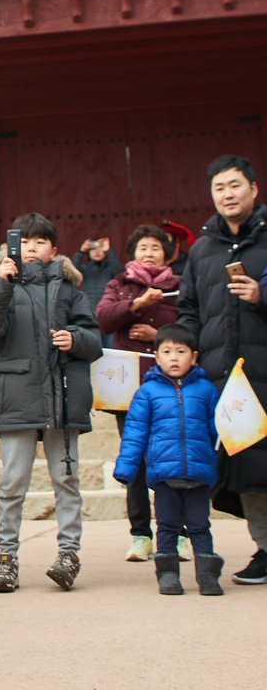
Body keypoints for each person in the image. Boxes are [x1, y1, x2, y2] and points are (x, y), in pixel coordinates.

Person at [0, 212, 102, 593]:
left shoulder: (69, 289)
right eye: (24, 241)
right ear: (9, 247)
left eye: (40, 242)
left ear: (54, 250)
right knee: (12, 483)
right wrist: (1, 283)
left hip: (62, 399)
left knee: (67, 480)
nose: (31, 248)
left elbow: (94, 340)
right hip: (18, 398)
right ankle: (6, 557)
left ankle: (68, 554)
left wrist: (75, 339)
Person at [178, 154, 267, 585]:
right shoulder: (202, 249)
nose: (228, 194)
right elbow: (188, 308)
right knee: (247, 469)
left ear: (254, 189)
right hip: (224, 378)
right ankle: (265, 548)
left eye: (235, 185)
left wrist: (262, 296)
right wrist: (185, 353)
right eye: (219, 188)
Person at [113, 324, 224, 595]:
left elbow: (220, 430)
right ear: (156, 356)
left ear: (194, 357)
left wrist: (227, 455)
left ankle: (207, 574)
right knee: (167, 525)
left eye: (181, 351)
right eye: (167, 351)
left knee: (200, 525)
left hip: (199, 472)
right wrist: (126, 468)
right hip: (164, 474)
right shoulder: (147, 393)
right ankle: (168, 573)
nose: (174, 358)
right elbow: (135, 433)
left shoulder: (207, 391)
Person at [96, 224, 182, 562]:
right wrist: (137, 303)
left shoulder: (178, 287)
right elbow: (103, 319)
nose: (149, 253)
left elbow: (192, 328)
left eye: (155, 248)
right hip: (129, 388)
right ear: (133, 252)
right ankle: (140, 535)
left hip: (171, 386)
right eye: (143, 247)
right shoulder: (119, 285)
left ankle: (178, 533)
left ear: (166, 255)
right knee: (135, 460)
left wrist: (157, 336)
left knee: (171, 458)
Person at [73, 235, 124, 313]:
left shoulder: (111, 267)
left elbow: (120, 273)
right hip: (88, 310)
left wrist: (109, 251)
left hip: (107, 309)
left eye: (100, 248)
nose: (97, 252)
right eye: (93, 249)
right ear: (88, 253)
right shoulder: (85, 268)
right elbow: (72, 271)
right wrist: (81, 251)